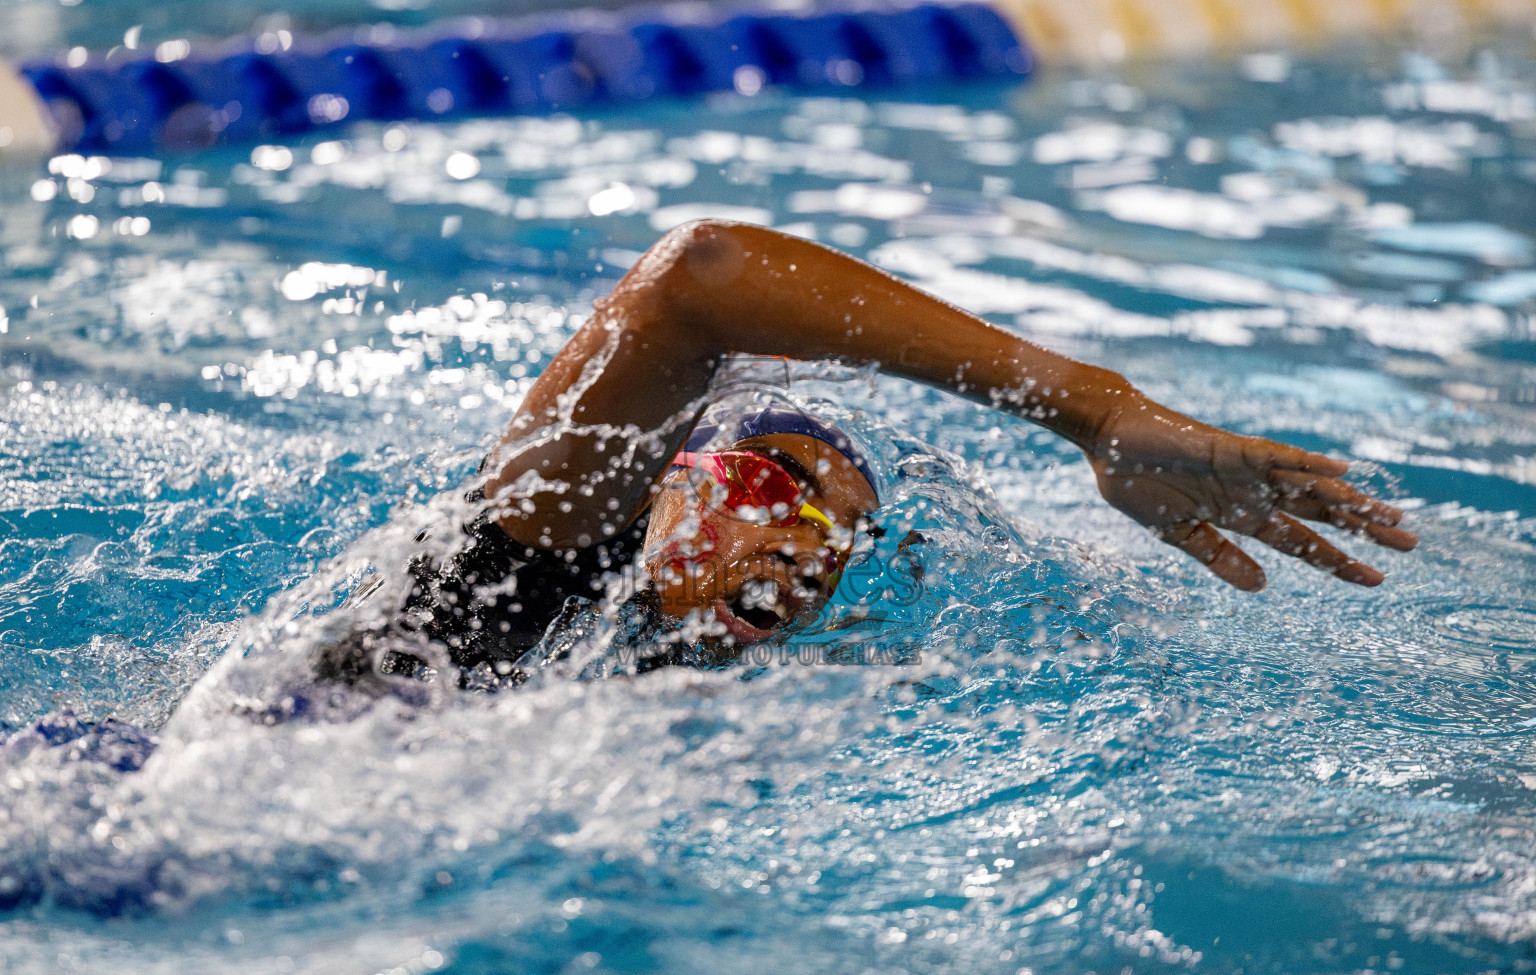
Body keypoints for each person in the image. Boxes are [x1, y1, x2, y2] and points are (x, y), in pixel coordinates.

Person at [366, 219, 1417, 686]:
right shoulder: (512, 572)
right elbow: (698, 275)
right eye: (780, 479)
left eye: (843, 531)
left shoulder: (705, 709)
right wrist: (1094, 411)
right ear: (662, 484)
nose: (813, 545)